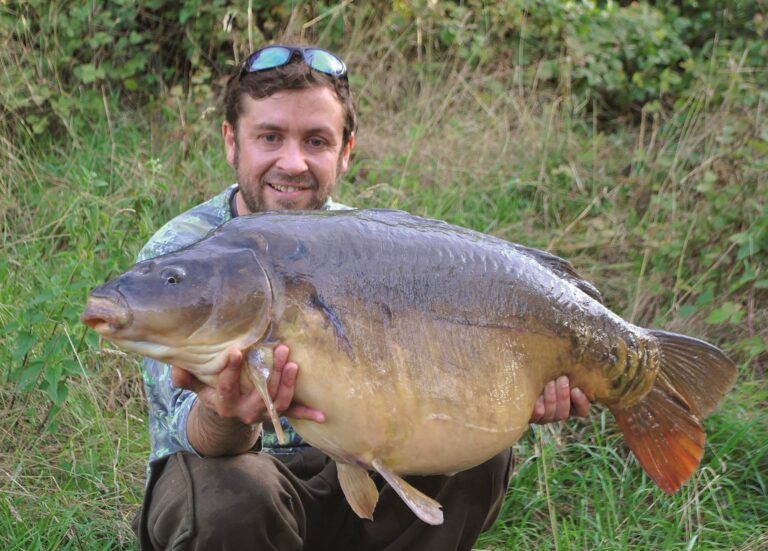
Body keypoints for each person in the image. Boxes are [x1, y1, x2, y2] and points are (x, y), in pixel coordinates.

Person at [131, 44, 590, 551]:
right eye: (269, 137)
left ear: (345, 151)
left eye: (316, 141)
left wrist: (515, 388)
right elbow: (191, 439)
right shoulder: (183, 256)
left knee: (477, 458)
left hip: (357, 466)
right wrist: (226, 412)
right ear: (231, 142)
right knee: (233, 493)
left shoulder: (374, 244)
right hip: (240, 478)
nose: (292, 162)